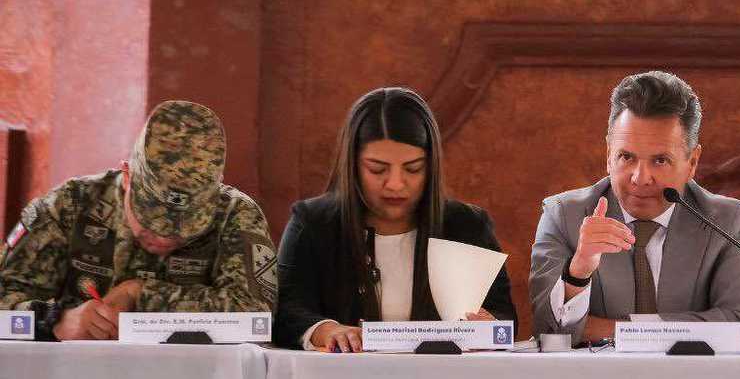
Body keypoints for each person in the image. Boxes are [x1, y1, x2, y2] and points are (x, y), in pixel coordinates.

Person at [0, 100, 276, 341]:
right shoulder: (70, 205)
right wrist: (55, 321)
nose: (165, 238)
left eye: (186, 229)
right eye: (151, 222)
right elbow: (4, 299)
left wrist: (140, 294)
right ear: (127, 177)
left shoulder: (235, 214)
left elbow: (258, 317)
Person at [529, 70, 740, 345]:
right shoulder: (563, 215)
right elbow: (547, 332)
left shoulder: (727, 221)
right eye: (626, 157)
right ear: (608, 155)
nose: (640, 178)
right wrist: (578, 272)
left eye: (660, 160)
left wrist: (620, 331)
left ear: (692, 162)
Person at [274, 87, 515, 351]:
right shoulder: (312, 223)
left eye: (413, 168)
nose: (396, 184)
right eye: (377, 169)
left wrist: (490, 326)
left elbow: (503, 316)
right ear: (352, 164)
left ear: (431, 165)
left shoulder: (467, 226)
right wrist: (324, 330)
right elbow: (286, 311)